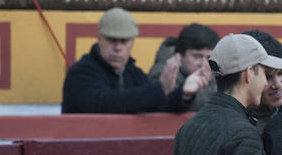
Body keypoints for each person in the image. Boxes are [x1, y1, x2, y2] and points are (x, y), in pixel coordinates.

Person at [61, 7, 209, 113]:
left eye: (124, 41)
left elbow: (159, 107)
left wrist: (184, 93)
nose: (118, 48)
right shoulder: (81, 72)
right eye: (112, 40)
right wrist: (161, 89)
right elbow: (107, 103)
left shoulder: (134, 73)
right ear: (99, 39)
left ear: (132, 43)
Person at [149, 22, 219, 111]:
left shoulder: (218, 70)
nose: (204, 64)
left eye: (209, 57)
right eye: (197, 56)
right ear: (180, 56)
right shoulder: (162, 73)